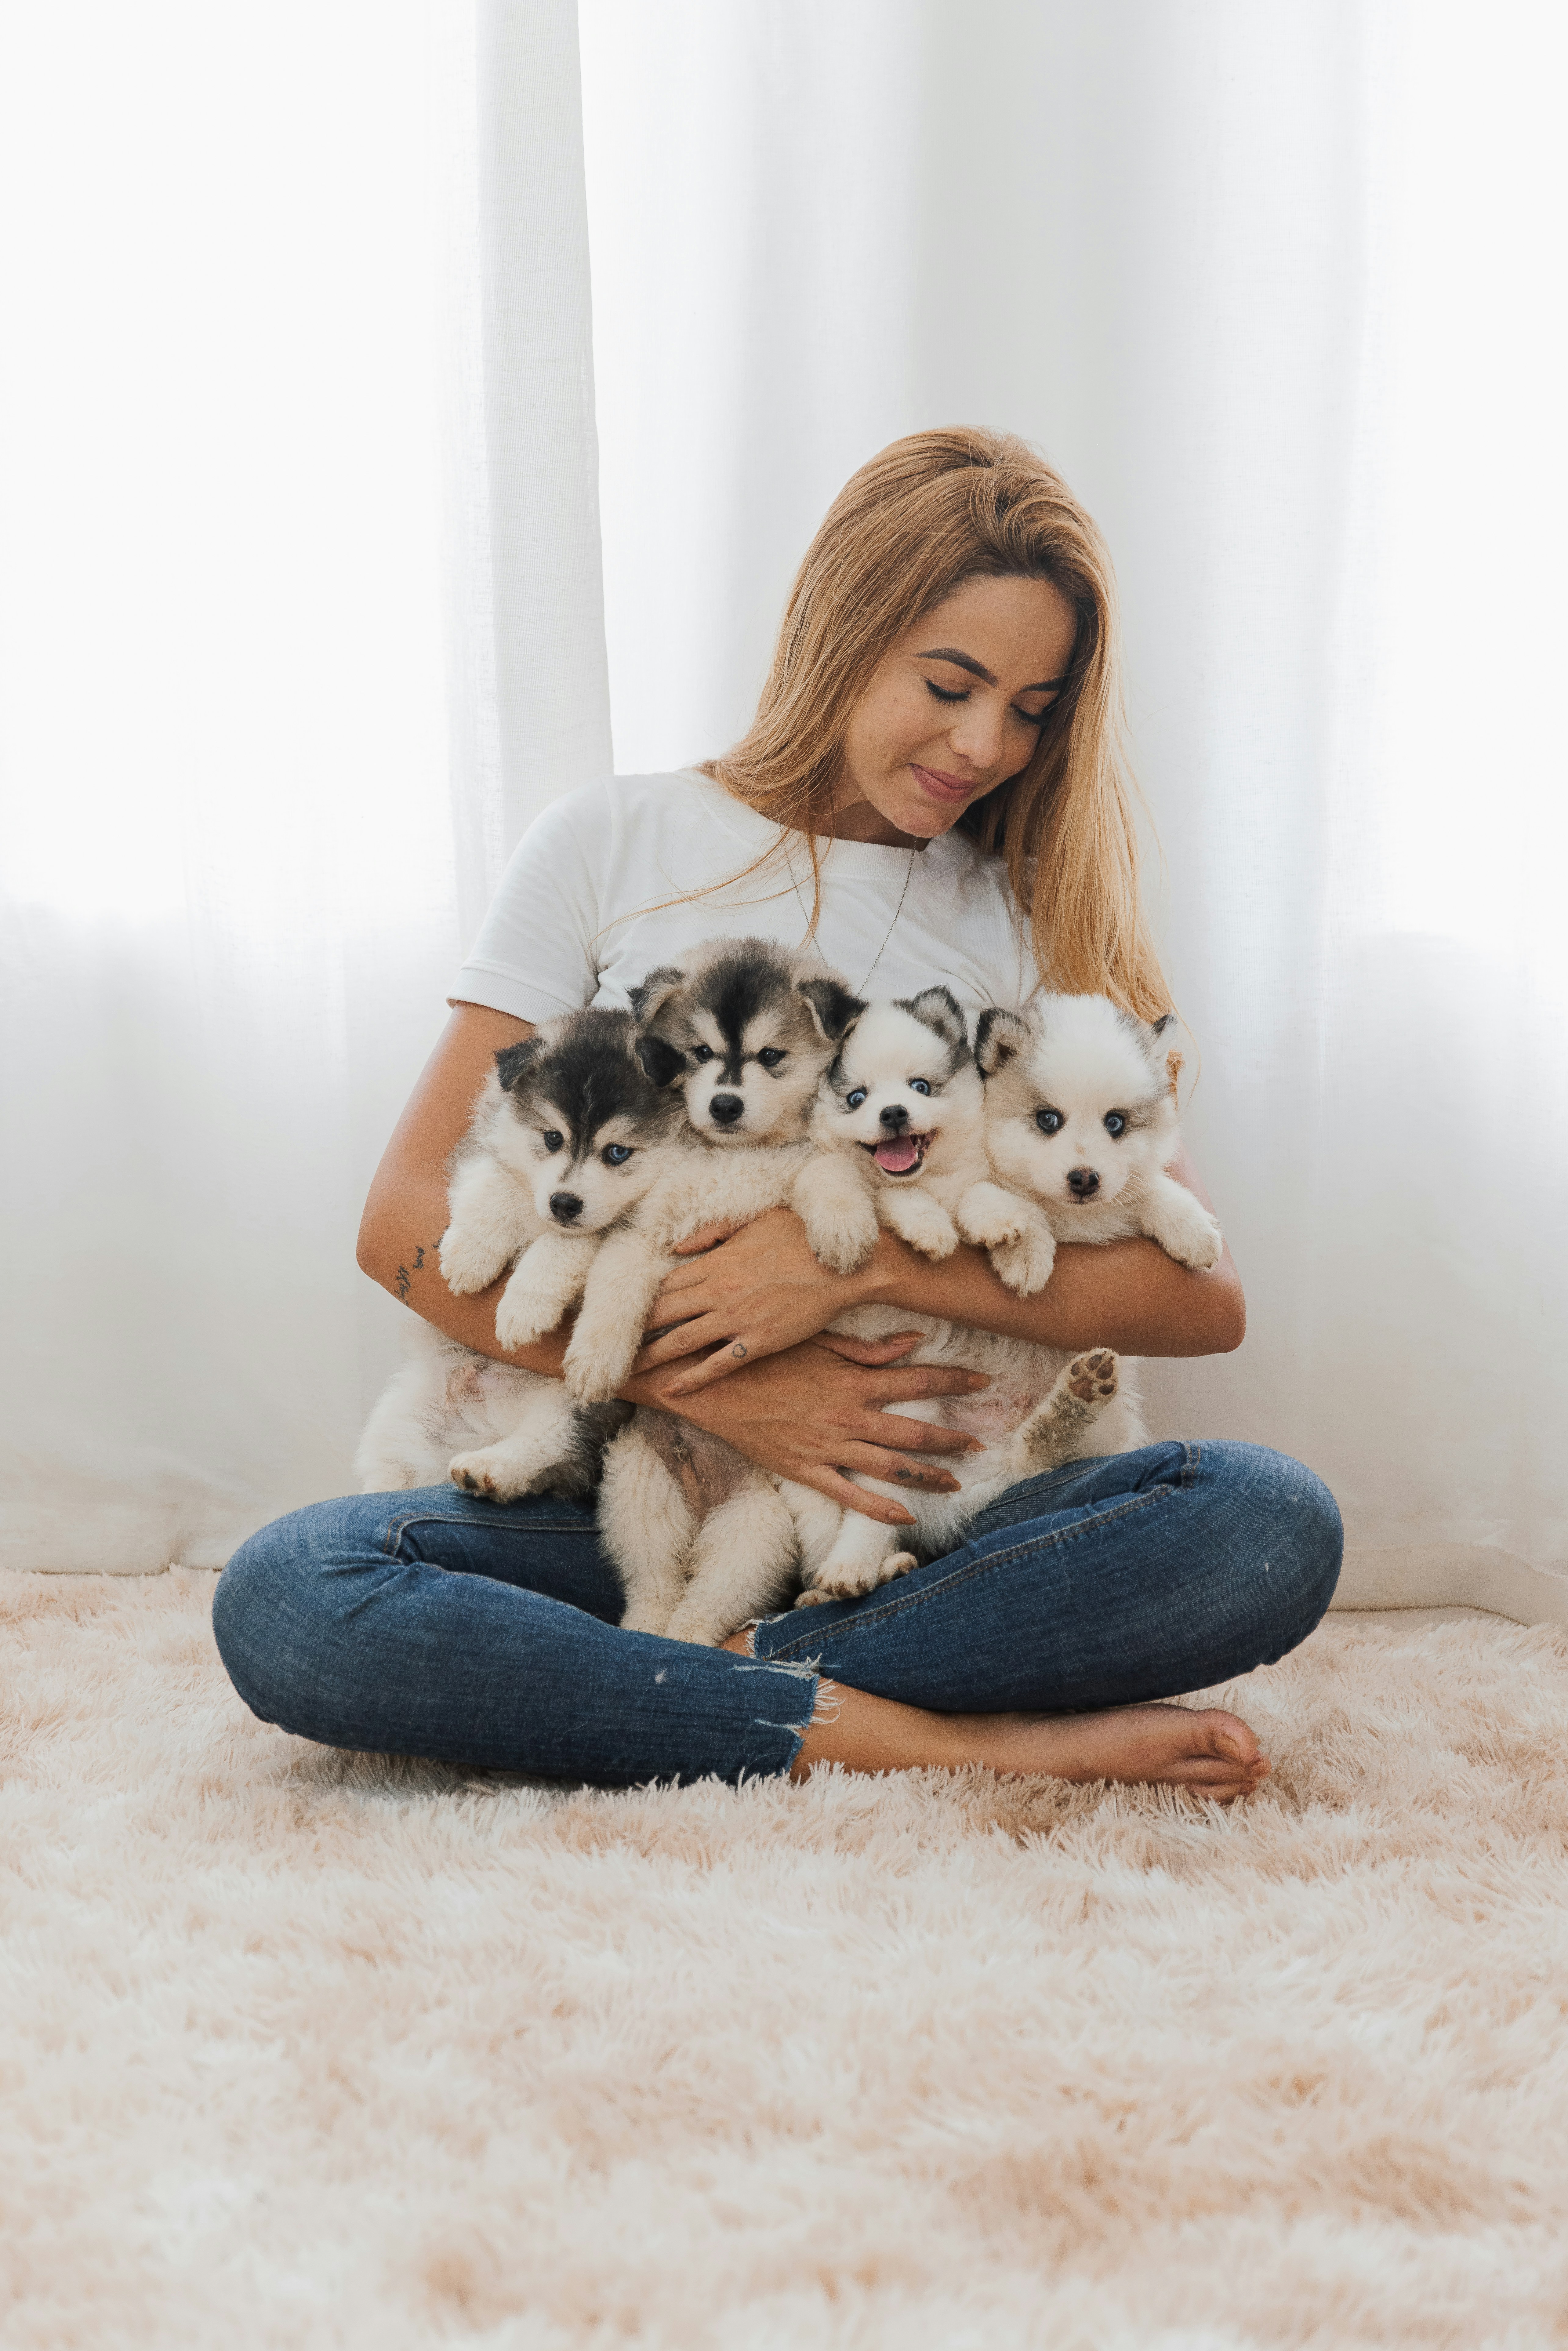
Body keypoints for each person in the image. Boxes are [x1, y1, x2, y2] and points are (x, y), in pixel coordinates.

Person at [213, 428, 1341, 1800]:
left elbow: (1200, 1296)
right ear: (846, 624)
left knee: (1268, 1523)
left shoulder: (1015, 911)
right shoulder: (610, 841)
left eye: (1034, 708)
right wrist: (741, 1393)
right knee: (291, 1591)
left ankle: (700, 1680)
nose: (986, 743)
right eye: (951, 682)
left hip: (924, 1507)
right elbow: (402, 1218)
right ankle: (919, 1729)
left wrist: (839, 1261)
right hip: (620, 1489)